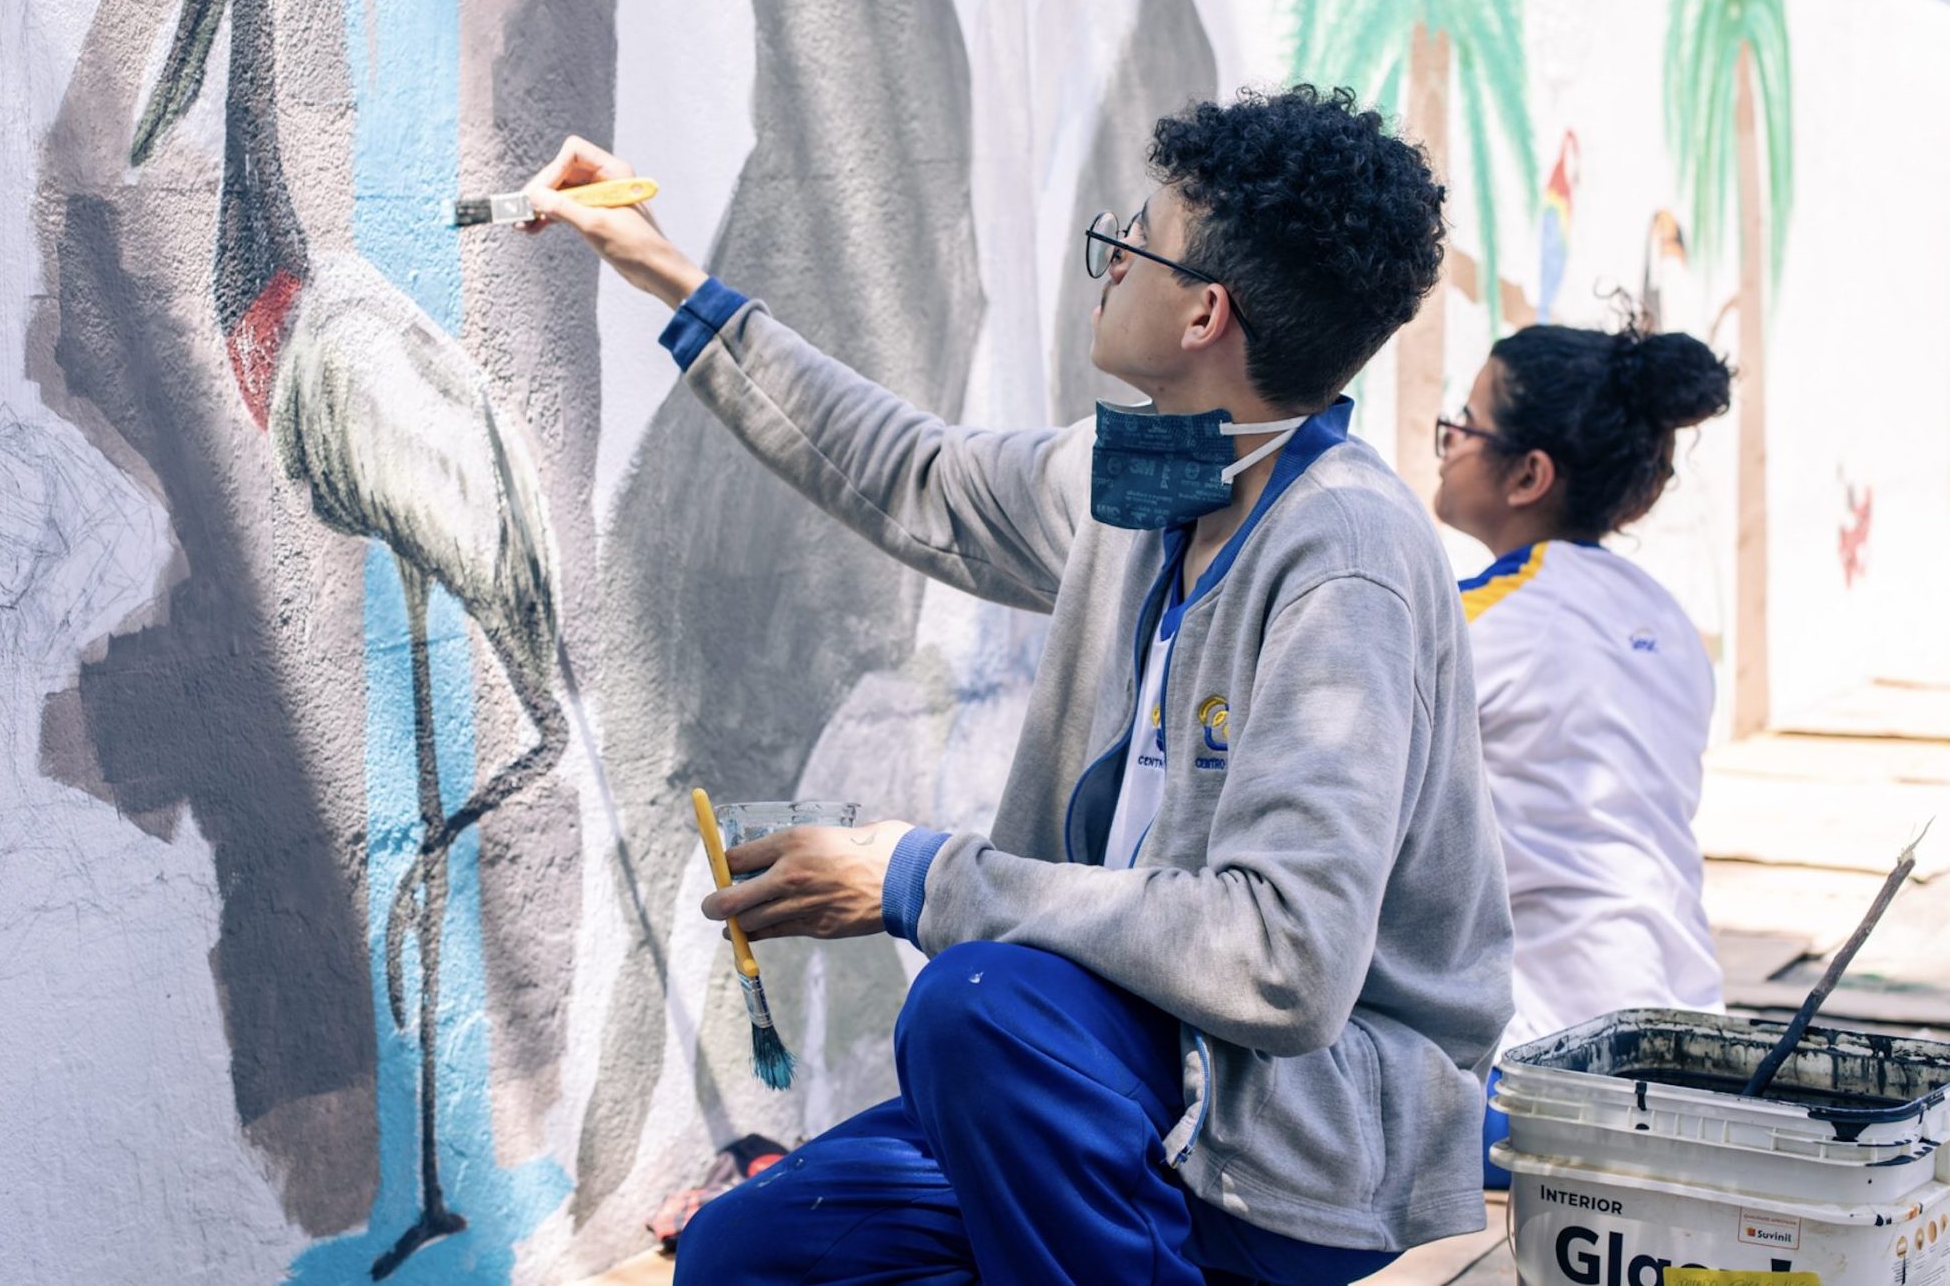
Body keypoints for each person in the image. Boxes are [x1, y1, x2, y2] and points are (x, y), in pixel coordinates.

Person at [525, 85, 1513, 1286]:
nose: (1111, 261)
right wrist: (672, 279)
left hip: (1297, 1127)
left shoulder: (1342, 554)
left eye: (1132, 239)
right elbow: (920, 476)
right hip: (1121, 1068)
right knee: (751, 1252)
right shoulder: (1155, 481)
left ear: (1205, 311)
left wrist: (917, 876)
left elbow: (1284, 955)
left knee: (976, 1002)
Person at [1432, 318, 1731, 1188]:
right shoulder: (1666, 621)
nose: (1447, 443)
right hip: (1692, 1060)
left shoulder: (1478, 620)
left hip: (1545, 1084)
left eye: (1465, 424)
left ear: (1528, 475)